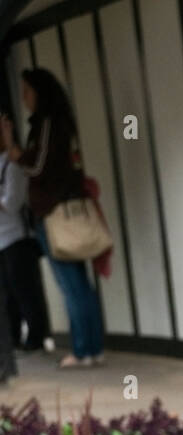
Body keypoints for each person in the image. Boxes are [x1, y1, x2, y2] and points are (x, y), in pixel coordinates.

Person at [1, 69, 104, 368]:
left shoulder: (46, 124)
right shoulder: (61, 122)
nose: (24, 98)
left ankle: (83, 350)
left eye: (27, 91)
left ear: (40, 93)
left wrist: (14, 150)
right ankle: (91, 348)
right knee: (80, 283)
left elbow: (38, 167)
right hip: (70, 210)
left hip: (55, 213)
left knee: (71, 284)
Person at [0, 128, 52, 353]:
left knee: (25, 290)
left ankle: (36, 338)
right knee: (8, 293)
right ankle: (14, 339)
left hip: (17, 237)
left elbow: (13, 202)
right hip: (2, 240)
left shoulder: (11, 165)